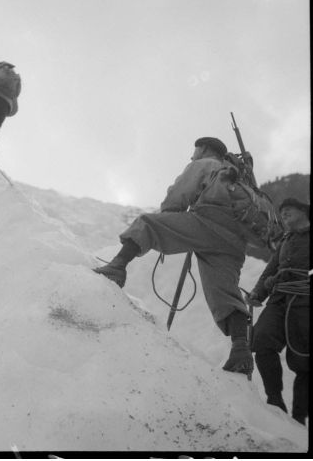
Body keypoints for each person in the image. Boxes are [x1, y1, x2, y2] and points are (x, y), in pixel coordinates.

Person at [94, 137, 255, 376]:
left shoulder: (207, 164)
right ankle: (240, 349)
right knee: (225, 293)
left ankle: (117, 267)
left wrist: (174, 223)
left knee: (147, 223)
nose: (192, 156)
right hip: (235, 242)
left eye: (195, 151)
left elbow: (176, 198)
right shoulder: (238, 178)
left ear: (204, 149)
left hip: (209, 224)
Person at [246, 198, 310, 425]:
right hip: (279, 298)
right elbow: (270, 269)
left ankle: (299, 417)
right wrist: (257, 293)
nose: (283, 215)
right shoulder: (285, 241)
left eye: (288, 210)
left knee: (304, 361)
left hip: (305, 301)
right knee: (261, 339)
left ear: (304, 211)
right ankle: (275, 400)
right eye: (281, 213)